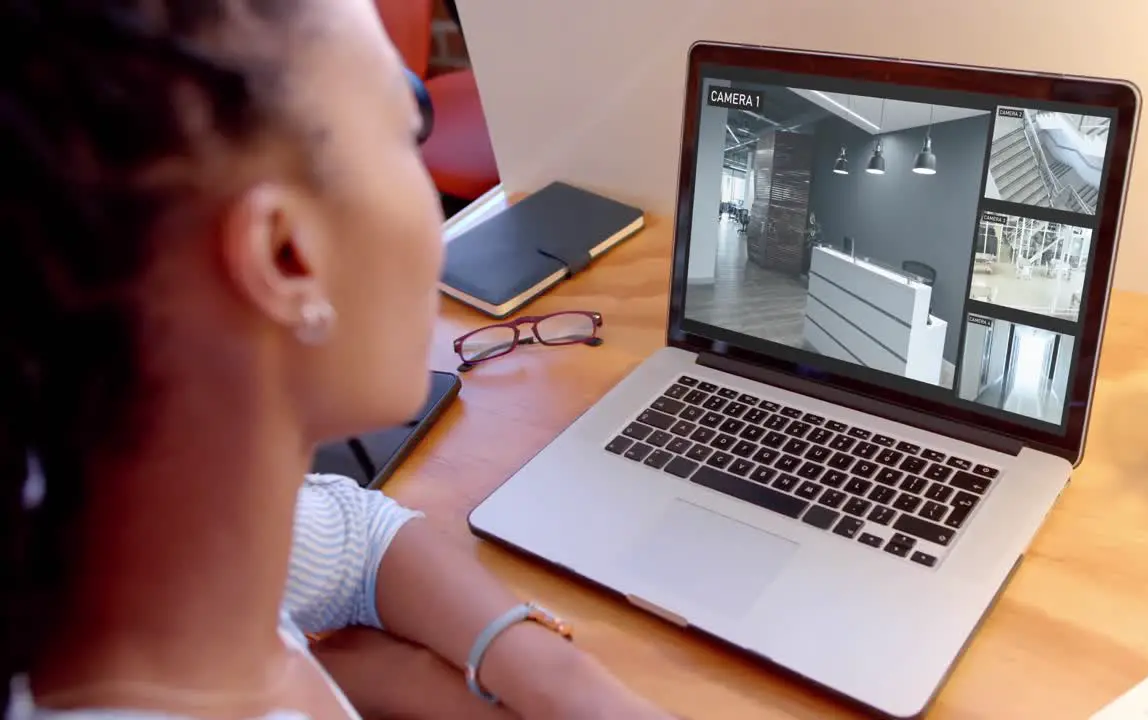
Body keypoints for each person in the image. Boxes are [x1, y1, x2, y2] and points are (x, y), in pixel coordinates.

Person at [0, 1, 677, 718]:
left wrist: (544, 681)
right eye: (404, 130)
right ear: (287, 256)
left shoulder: (135, 544)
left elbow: (355, 539)